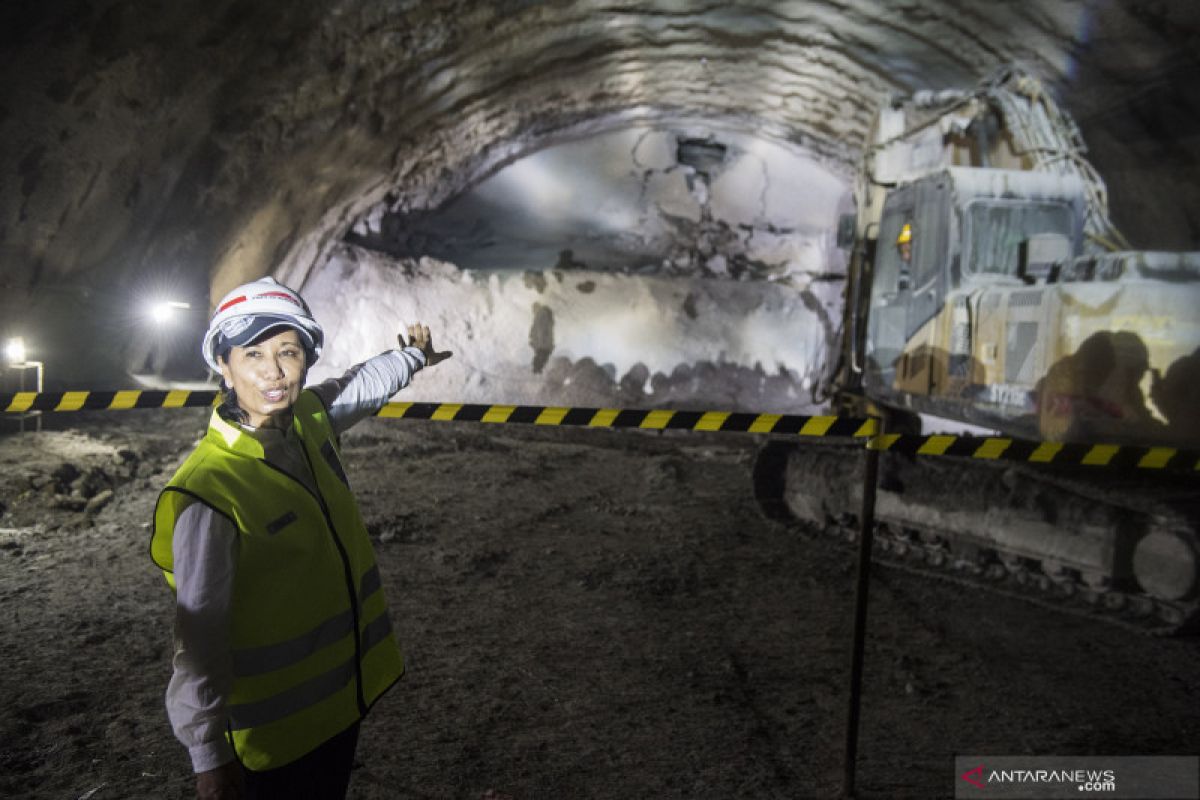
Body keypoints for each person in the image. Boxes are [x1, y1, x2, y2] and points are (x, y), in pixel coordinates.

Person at [150, 276, 451, 799]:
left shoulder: (307, 421)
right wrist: (209, 759)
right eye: (253, 355)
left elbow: (359, 385)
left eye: (288, 352)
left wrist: (413, 359)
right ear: (224, 366)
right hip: (270, 744)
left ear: (307, 358)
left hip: (338, 709)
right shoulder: (210, 491)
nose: (273, 372)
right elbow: (198, 639)